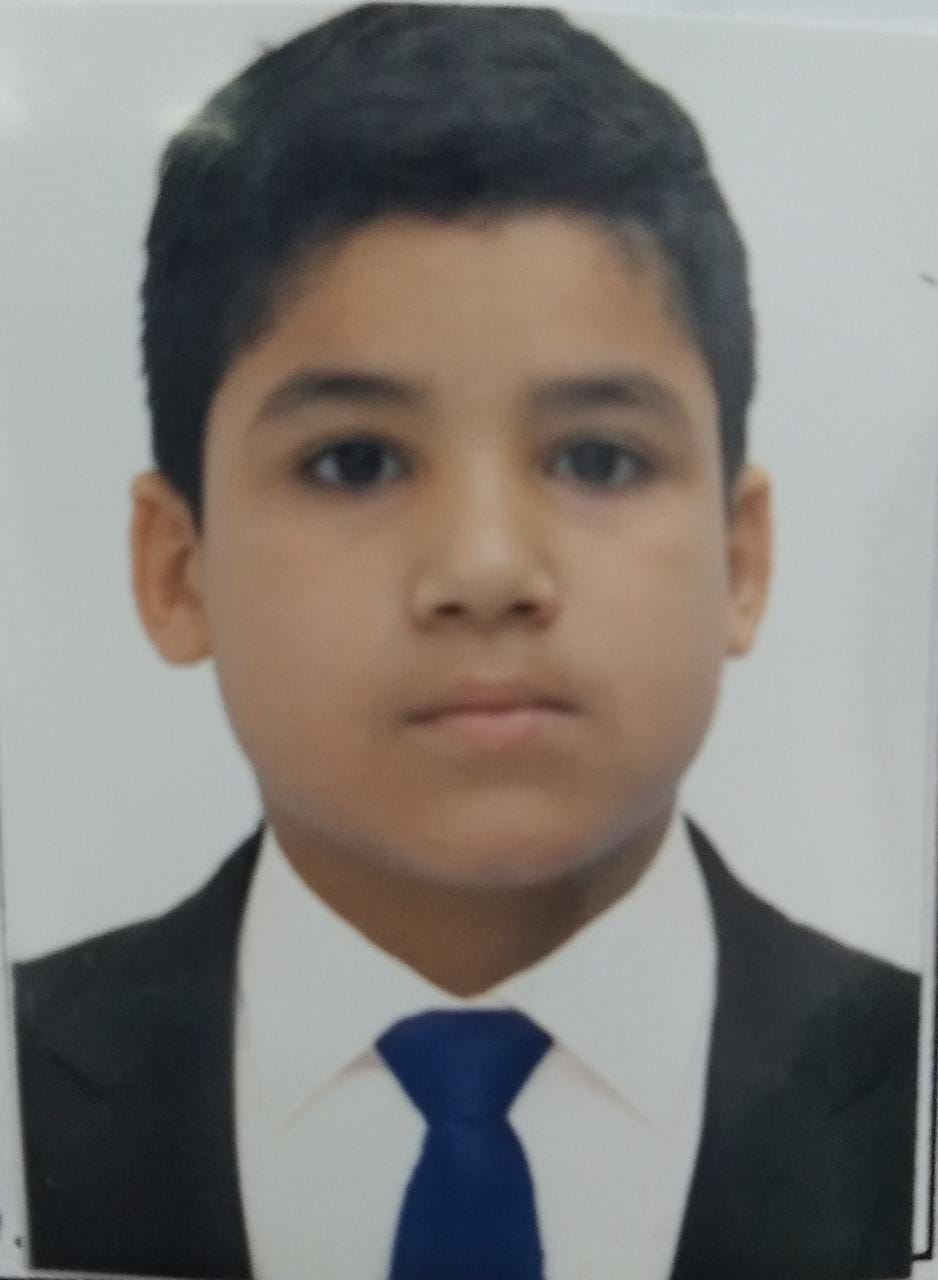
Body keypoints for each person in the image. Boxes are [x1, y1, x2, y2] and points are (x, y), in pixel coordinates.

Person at [13, 5, 919, 1279]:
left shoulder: (910, 1085)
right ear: (176, 569)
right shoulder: (24, 1087)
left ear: (742, 557)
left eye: (595, 457)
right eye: (355, 460)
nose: (485, 571)